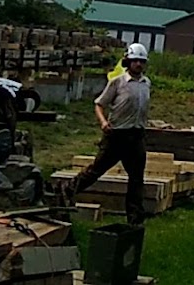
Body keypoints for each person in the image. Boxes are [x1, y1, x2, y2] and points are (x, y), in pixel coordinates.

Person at [64, 42, 152, 224]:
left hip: (136, 136)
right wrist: (103, 122)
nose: (139, 65)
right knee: (96, 170)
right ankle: (66, 190)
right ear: (128, 62)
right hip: (117, 135)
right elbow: (99, 104)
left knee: (136, 179)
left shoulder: (146, 83)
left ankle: (135, 218)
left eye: (142, 62)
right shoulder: (118, 82)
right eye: (135, 61)